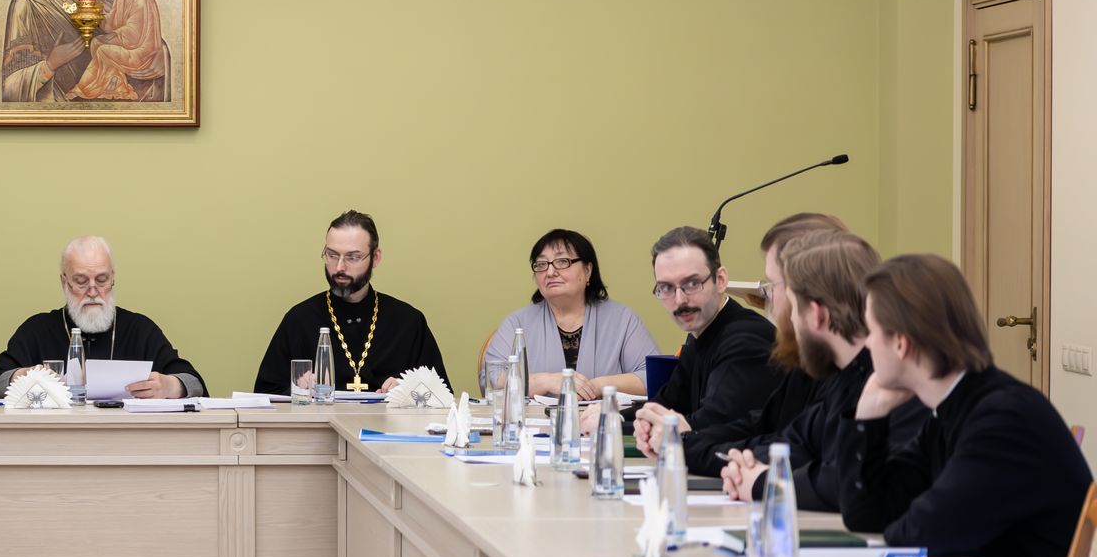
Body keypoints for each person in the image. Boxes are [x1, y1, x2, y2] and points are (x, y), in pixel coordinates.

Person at [836, 253, 1090, 557]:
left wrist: (907, 520)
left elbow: (919, 533)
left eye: (871, 331)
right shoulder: (953, 411)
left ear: (901, 343)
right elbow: (868, 514)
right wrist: (869, 412)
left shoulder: (1003, 420)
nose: (867, 344)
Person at [721, 230, 926, 513]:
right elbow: (795, 445)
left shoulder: (894, 382)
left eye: (793, 306)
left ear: (816, 314)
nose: (789, 319)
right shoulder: (842, 377)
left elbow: (846, 480)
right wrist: (744, 467)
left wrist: (765, 483)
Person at [630, 226, 777, 473]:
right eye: (666, 288)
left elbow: (713, 423)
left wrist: (659, 426)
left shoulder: (746, 339)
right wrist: (616, 417)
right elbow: (668, 404)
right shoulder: (700, 333)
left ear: (721, 280)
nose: (680, 300)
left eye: (692, 283)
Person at [0, 236, 205, 398]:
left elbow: (195, 384)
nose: (92, 291)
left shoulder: (140, 329)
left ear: (112, 279)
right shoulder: (37, 330)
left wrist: (169, 386)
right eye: (81, 281)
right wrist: (24, 375)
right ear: (64, 282)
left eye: (101, 280)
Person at [253, 211, 445, 395]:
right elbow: (265, 395)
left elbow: (443, 396)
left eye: (353, 257)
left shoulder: (408, 322)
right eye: (332, 255)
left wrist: (410, 391)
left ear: (375, 258)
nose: (339, 267)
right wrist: (297, 390)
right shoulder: (299, 320)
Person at [483, 228, 658, 399]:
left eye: (562, 261)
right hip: (535, 419)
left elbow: (654, 376)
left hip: (600, 417)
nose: (550, 272)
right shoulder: (517, 322)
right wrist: (545, 381)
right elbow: (491, 377)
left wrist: (598, 386)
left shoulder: (622, 319)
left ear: (587, 270)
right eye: (542, 264)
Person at [70, 0, 168, 101]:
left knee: (104, 50)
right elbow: (113, 22)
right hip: (129, 45)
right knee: (96, 42)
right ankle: (112, 83)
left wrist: (114, 35)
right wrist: (97, 14)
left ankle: (85, 89)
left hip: (142, 53)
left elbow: (134, 34)